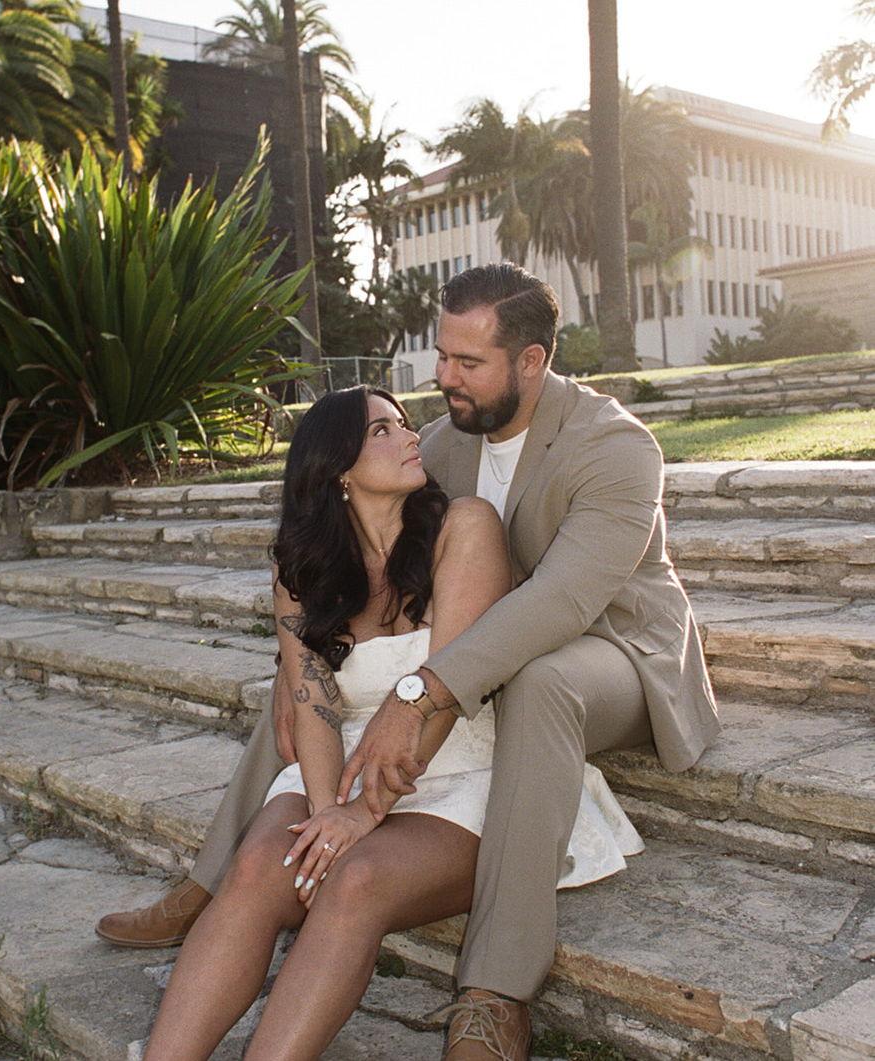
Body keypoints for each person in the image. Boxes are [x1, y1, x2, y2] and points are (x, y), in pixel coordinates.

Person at [99, 264, 722, 1060]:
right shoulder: (441, 442)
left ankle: (496, 990)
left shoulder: (613, 445)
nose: (444, 379)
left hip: (611, 648)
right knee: (310, 681)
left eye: (468, 362)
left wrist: (418, 691)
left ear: (531, 360)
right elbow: (346, 553)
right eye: (442, 355)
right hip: (480, 643)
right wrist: (316, 689)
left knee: (535, 679)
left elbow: (561, 600)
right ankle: (214, 882)